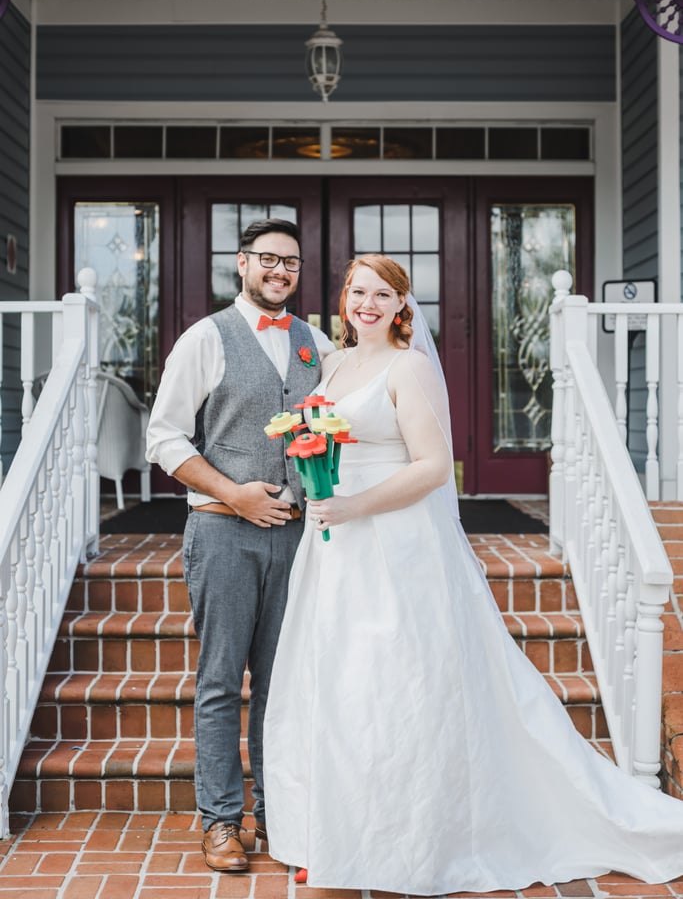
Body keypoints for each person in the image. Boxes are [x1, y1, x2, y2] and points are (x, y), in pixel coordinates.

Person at [262, 253, 683, 896]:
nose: (368, 304)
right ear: (344, 301)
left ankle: (413, 840)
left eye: (382, 294)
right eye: (357, 292)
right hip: (336, 548)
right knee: (340, 686)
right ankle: (340, 832)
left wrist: (351, 505)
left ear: (403, 306)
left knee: (395, 688)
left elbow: (433, 468)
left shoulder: (411, 368)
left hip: (395, 547)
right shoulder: (338, 364)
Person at [145, 218, 334, 873]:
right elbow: (164, 439)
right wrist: (234, 494)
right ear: (242, 263)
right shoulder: (207, 337)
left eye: (292, 262)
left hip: (298, 538)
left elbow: (331, 430)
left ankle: (277, 815)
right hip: (223, 533)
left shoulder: (317, 344)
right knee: (223, 680)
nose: (280, 271)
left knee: (283, 687)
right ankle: (221, 821)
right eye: (268, 260)